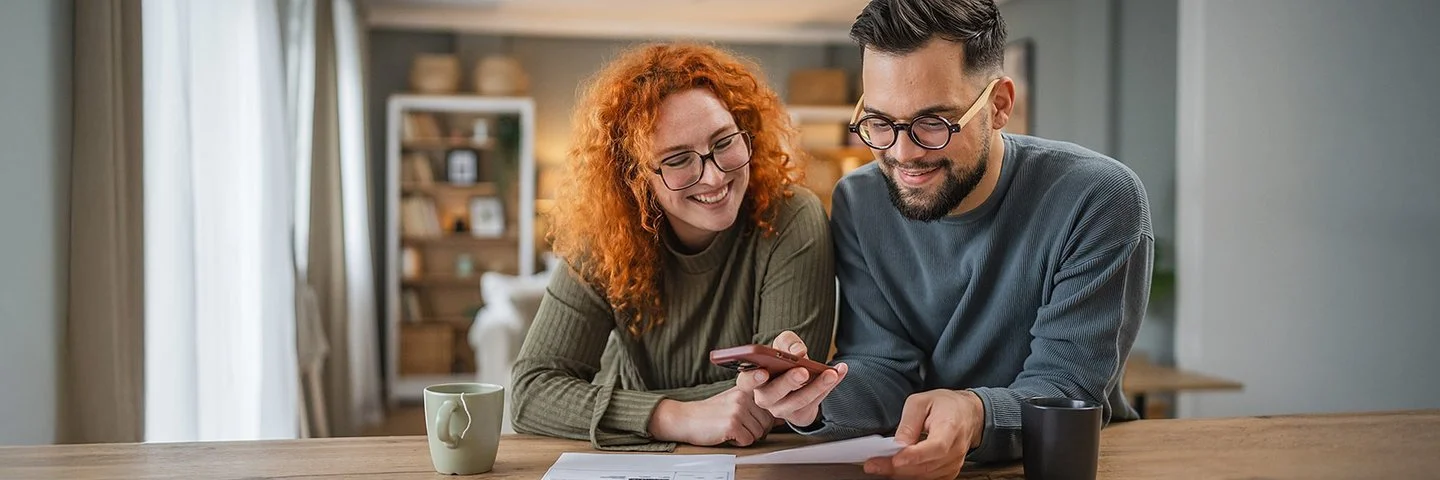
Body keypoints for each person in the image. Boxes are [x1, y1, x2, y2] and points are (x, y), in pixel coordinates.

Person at [737, 0, 1153, 478]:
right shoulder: (860, 199)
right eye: (879, 122)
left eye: (932, 123)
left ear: (999, 105)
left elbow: (1066, 388)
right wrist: (815, 398)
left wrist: (975, 414)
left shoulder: (1097, 197)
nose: (902, 154)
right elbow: (883, 365)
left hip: (1067, 464)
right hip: (914, 461)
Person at [510, 43, 836, 452]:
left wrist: (619, 408)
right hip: (634, 459)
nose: (714, 177)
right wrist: (672, 416)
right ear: (635, 176)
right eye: (678, 160)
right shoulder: (604, 237)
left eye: (723, 142)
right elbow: (530, 393)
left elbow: (777, 397)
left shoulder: (792, 218)